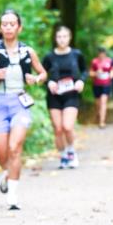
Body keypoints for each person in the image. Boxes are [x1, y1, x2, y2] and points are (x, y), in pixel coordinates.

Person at [0, 9, 48, 210]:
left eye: (12, 24)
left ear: (19, 27)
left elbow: (43, 73)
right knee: (3, 155)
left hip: (19, 104)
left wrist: (37, 79)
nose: (8, 27)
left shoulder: (27, 52)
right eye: (4, 24)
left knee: (15, 148)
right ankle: (7, 173)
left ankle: (13, 196)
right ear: (0, 27)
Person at [42, 26, 87, 168]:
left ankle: (71, 151)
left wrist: (81, 81)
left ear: (70, 37)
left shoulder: (76, 54)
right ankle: (63, 155)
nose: (62, 39)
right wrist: (48, 82)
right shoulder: (49, 56)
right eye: (59, 37)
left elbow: (84, 70)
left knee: (67, 127)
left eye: (65, 36)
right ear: (55, 38)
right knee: (58, 128)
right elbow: (42, 74)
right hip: (54, 96)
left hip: (71, 95)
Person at [89, 47, 113, 129]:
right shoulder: (94, 61)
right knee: (98, 104)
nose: (102, 55)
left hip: (106, 84)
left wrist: (111, 75)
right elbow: (90, 73)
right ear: (98, 54)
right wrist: (96, 73)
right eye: (100, 53)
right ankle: (98, 115)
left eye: (103, 53)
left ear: (105, 53)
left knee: (103, 102)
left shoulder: (109, 61)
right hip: (96, 85)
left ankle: (102, 122)